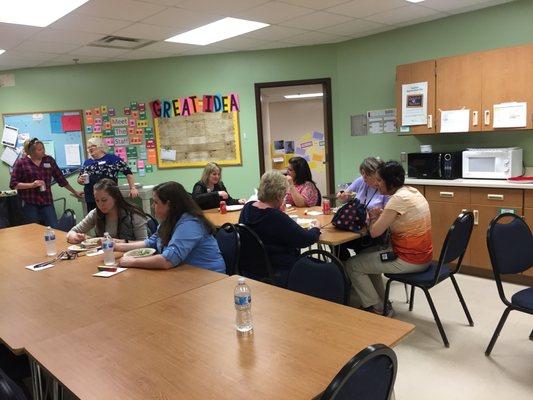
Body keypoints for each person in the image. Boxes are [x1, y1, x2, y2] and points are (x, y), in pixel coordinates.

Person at [345, 161, 433, 316]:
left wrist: (373, 217)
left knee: (353, 265)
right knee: (365, 255)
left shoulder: (397, 200)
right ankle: (383, 302)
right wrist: (382, 215)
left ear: (389, 182)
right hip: (423, 254)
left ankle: (377, 308)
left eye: (379, 180)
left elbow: (374, 232)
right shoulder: (411, 191)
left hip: (409, 259)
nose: (377, 184)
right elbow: (400, 216)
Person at [114, 181, 225, 272]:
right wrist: (117, 246)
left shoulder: (190, 224)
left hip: (209, 277)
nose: (153, 206)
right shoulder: (169, 220)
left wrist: (133, 262)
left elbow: (168, 261)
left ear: (169, 204)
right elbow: (150, 243)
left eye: (156, 202)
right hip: (184, 273)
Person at [239, 170, 321, 286]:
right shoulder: (275, 217)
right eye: (284, 195)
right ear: (278, 196)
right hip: (278, 270)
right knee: (322, 268)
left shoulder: (248, 208)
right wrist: (316, 228)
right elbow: (305, 239)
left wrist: (276, 209)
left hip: (251, 268)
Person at [9, 138, 84, 228]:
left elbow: (61, 179)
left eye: (43, 148)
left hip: (46, 201)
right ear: (31, 152)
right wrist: (32, 185)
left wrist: (75, 191)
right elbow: (13, 184)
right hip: (29, 203)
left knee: (54, 228)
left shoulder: (49, 160)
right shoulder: (21, 163)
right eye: (39, 149)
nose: (43, 151)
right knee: (33, 230)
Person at [336, 157, 389, 260]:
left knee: (360, 253)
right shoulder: (361, 181)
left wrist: (375, 214)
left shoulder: (385, 188)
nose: (364, 177)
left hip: (372, 232)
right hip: (356, 226)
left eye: (367, 174)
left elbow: (387, 215)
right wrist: (343, 196)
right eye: (362, 173)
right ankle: (344, 269)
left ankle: (351, 268)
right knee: (336, 244)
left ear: (377, 174)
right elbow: (346, 195)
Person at [66, 179, 148, 243]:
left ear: (115, 197)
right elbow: (72, 232)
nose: (100, 204)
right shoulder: (95, 213)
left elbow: (144, 244)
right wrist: (76, 237)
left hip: (130, 258)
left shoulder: (133, 215)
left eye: (104, 200)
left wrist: (118, 242)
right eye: (97, 200)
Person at [78, 137, 138, 213]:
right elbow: (80, 179)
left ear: (100, 146)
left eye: (93, 146)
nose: (90, 149)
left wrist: (132, 188)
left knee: (113, 219)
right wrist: (80, 180)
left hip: (110, 197)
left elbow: (128, 173)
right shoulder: (87, 163)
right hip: (91, 198)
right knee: (95, 221)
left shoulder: (113, 159)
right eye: (88, 147)